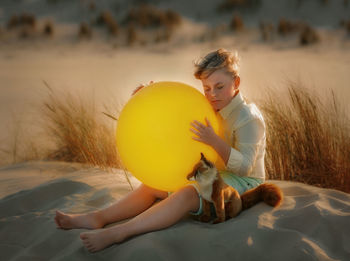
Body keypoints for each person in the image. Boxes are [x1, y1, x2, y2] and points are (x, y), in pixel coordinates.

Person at [54, 48, 266, 253]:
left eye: (219, 87)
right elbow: (178, 109)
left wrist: (214, 141)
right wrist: (149, 95)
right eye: (207, 88)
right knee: (152, 186)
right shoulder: (213, 105)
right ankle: (98, 218)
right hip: (213, 173)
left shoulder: (248, 118)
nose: (212, 95)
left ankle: (120, 232)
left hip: (244, 183)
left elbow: (246, 167)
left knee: (187, 193)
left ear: (236, 82)